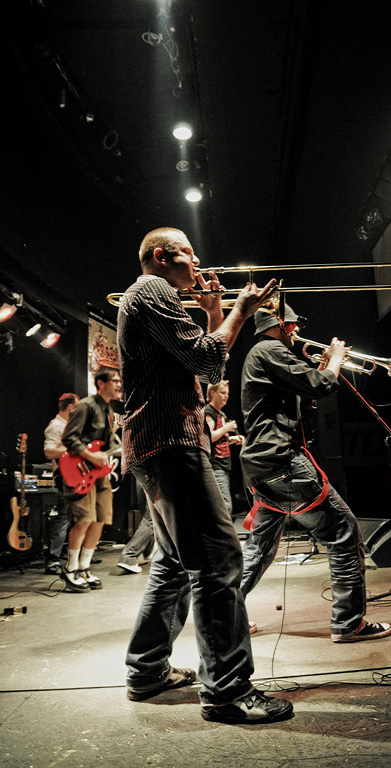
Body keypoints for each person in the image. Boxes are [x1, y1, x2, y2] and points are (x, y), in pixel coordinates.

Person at [117, 226, 293, 724]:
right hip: (170, 443)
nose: (197, 263)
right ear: (160, 256)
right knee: (218, 563)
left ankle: (147, 670)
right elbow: (206, 356)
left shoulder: (158, 297)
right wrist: (242, 309)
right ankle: (227, 691)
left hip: (160, 443)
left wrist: (217, 312)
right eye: (188, 254)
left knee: (175, 563)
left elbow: (207, 372)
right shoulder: (152, 290)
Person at [239, 299, 391, 643]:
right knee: (343, 532)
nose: (298, 333)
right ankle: (348, 623)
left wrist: (325, 367)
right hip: (282, 461)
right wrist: (336, 360)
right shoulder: (269, 349)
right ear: (283, 326)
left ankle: (227, 616)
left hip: (261, 465)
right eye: (294, 327)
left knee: (259, 548)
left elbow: (307, 395)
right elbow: (322, 386)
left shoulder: (263, 355)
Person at [60, 368, 122, 592]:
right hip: (80, 469)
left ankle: (85, 567)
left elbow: (107, 446)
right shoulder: (85, 405)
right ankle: (70, 568)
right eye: (114, 380)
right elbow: (68, 437)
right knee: (83, 519)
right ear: (100, 383)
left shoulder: (107, 410)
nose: (118, 385)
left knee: (100, 519)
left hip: (99, 473)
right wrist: (90, 455)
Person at [43, 392, 80, 574]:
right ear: (71, 407)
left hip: (74, 475)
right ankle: (52, 560)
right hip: (63, 475)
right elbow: (49, 452)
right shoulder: (55, 426)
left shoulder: (68, 426)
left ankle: (72, 556)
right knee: (63, 518)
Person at [205, 380, 244, 517]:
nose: (226, 396)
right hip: (215, 465)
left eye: (227, 393)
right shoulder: (209, 412)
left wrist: (232, 439)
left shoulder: (221, 414)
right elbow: (209, 437)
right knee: (225, 506)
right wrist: (227, 428)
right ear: (212, 393)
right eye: (222, 393)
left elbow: (219, 440)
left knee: (223, 505)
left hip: (223, 465)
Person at [116, 475, 155, 573]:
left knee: (148, 517)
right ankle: (129, 556)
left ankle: (147, 551)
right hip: (156, 475)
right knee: (153, 519)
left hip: (141, 475)